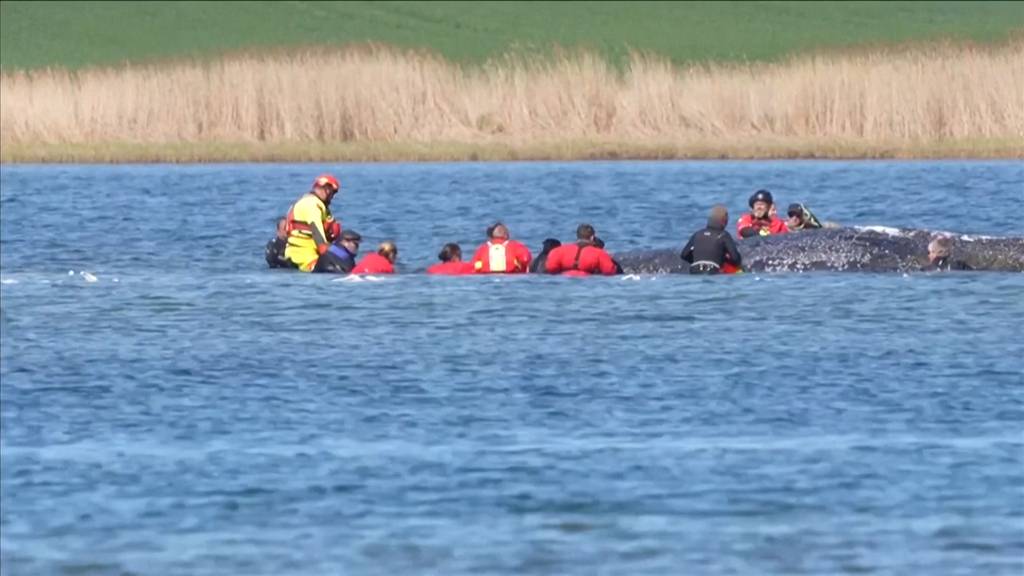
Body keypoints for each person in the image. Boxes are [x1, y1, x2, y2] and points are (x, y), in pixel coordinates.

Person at [283, 174, 345, 272]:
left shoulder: (306, 201)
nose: (332, 196)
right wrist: (331, 253)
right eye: (333, 193)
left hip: (299, 250)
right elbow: (317, 233)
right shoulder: (312, 205)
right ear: (327, 190)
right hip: (304, 254)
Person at [681, 205, 743, 275]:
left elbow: (684, 255)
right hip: (713, 270)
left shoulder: (698, 234)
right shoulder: (723, 235)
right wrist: (723, 259)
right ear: (724, 221)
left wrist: (697, 261)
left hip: (694, 269)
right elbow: (736, 259)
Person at [544, 224, 620, 276]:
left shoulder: (558, 251)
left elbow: (551, 268)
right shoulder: (600, 253)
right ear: (592, 237)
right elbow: (609, 271)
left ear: (577, 236)